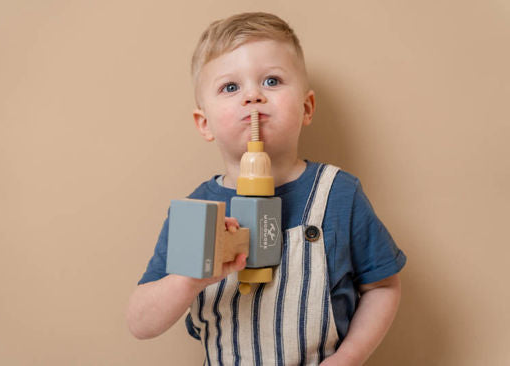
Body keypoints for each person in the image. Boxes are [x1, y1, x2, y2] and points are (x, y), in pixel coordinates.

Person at [126, 12, 406, 366]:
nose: (253, 97)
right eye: (231, 87)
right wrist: (188, 280)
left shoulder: (339, 194)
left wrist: (349, 358)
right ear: (204, 123)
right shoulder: (196, 211)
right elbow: (140, 322)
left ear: (306, 108)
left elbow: (383, 286)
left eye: (272, 81)